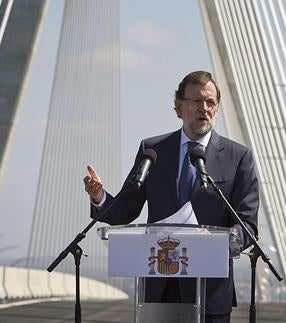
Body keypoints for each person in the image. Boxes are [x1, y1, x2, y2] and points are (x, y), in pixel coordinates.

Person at [83, 70, 259, 322]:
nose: (204, 108)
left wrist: (220, 242)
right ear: (178, 107)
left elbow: (247, 224)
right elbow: (127, 208)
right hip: (158, 287)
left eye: (210, 103)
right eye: (197, 101)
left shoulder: (238, 157)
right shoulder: (152, 150)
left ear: (217, 109)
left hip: (209, 291)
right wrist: (100, 196)